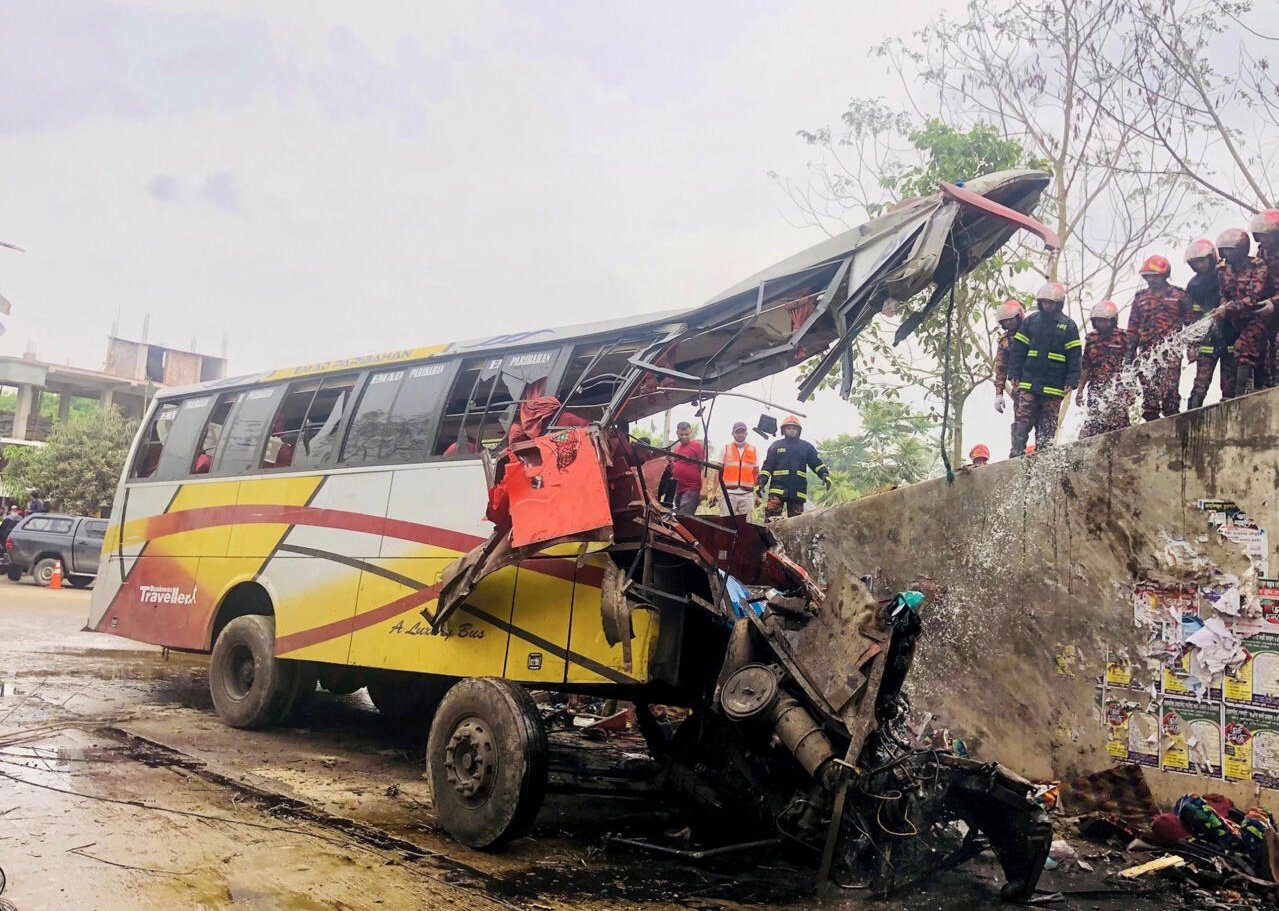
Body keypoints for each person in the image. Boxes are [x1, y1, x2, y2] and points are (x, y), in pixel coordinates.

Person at [1006, 281, 1082, 457]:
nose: (1047, 305)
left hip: (1054, 386)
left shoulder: (1068, 326)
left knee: (1047, 423)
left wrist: (1072, 380)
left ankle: (1044, 455)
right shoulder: (1030, 322)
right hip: (1029, 382)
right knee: (1022, 417)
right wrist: (1014, 373)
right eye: (1044, 302)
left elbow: (1075, 356)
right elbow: (1018, 350)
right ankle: (1017, 452)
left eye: (1051, 302)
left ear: (1059, 303)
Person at [1126, 254, 1191, 422]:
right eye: (1147, 276)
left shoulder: (1180, 296)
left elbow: (1190, 324)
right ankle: (1151, 429)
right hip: (1147, 354)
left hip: (1171, 353)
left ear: (1164, 275)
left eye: (1154, 276)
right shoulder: (1140, 297)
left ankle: (1174, 428)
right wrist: (1129, 357)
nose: (1150, 280)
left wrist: (1193, 347)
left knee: (1170, 395)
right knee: (1150, 397)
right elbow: (1132, 329)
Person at [1213, 227, 1273, 397]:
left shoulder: (1257, 265)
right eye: (1224, 250)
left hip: (1258, 315)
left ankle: (1240, 397)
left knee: (1243, 347)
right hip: (1237, 320)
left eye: (1231, 250)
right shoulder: (1222, 270)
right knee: (1257, 356)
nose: (1228, 254)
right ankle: (1260, 387)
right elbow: (1223, 294)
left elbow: (1253, 297)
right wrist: (1222, 306)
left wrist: (1227, 308)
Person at [1184, 238, 1234, 409]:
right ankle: (1190, 421)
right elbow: (1191, 316)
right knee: (1200, 384)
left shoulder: (1226, 272)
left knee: (1231, 387)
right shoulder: (1193, 285)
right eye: (1196, 262)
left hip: (1231, 336)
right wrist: (1191, 344)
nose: (1200, 265)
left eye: (1202, 260)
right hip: (1207, 340)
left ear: (1212, 256)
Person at [756, 415, 831, 518]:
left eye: (794, 428)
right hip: (777, 490)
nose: (791, 430)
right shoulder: (776, 446)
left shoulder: (806, 447)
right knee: (771, 520)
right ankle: (769, 535)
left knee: (796, 524)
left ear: (798, 430)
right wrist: (761, 482)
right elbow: (767, 466)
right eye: (789, 428)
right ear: (784, 430)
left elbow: (816, 463)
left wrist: (824, 474)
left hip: (797, 492)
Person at [1076, 300, 1131, 438]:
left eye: (1104, 321)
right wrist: (1080, 390)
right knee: (1094, 424)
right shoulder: (1091, 338)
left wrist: (1131, 389)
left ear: (1112, 320)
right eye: (1098, 321)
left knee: (1119, 426)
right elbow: (1086, 366)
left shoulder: (1123, 337)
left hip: (1117, 387)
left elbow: (1131, 364)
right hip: (1096, 388)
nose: (1101, 324)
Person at [991, 299, 1025, 415]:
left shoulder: (1033, 333)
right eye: (1006, 320)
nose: (1009, 322)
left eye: (1011, 319)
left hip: (1039, 385)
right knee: (1020, 427)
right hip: (1019, 388)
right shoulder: (1004, 341)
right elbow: (1001, 367)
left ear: (1018, 317)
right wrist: (998, 393)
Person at [718, 421, 758, 516]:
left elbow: (756, 473)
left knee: (747, 524)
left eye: (742, 432)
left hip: (747, 494)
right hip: (728, 493)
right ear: (733, 433)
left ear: (746, 433)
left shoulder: (753, 449)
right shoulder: (726, 448)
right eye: (737, 432)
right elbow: (718, 471)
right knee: (727, 523)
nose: (740, 434)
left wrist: (757, 494)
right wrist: (715, 491)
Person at [670, 421, 705, 516]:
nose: (684, 437)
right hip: (678, 489)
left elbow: (704, 468)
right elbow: (675, 465)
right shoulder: (677, 448)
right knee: (677, 517)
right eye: (682, 434)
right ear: (677, 433)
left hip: (691, 489)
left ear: (691, 432)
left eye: (687, 434)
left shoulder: (697, 446)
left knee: (683, 517)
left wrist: (704, 488)